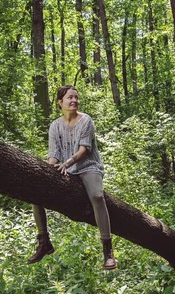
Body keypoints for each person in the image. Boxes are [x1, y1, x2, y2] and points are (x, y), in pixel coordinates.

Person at [28, 85, 117, 270]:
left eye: (76, 97)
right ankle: (44, 241)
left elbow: (84, 150)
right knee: (34, 192)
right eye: (70, 98)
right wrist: (49, 169)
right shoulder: (55, 126)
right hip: (65, 170)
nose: (74, 100)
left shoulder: (86, 121)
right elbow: (54, 153)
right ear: (60, 102)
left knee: (97, 197)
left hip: (88, 166)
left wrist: (66, 164)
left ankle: (108, 251)